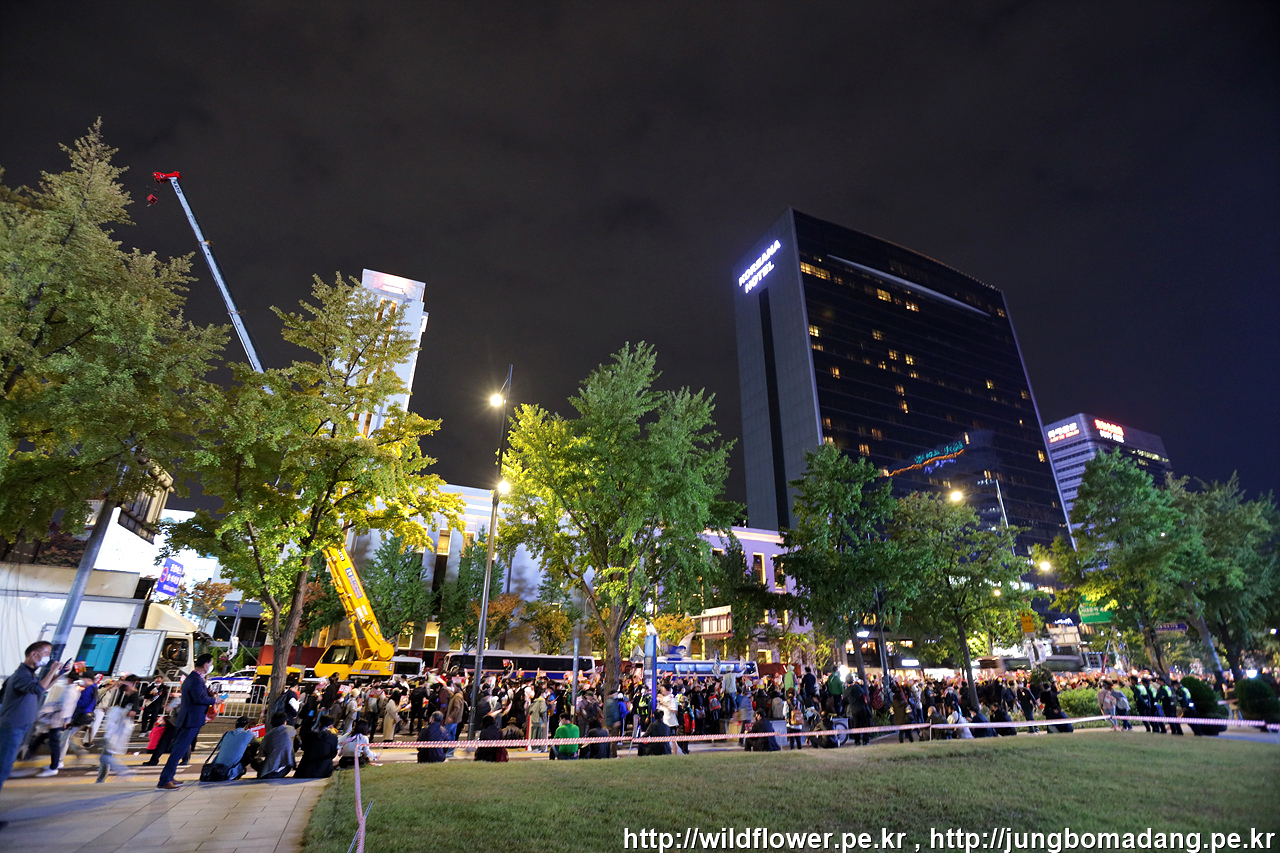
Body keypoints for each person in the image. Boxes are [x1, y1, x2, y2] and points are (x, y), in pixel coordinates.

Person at [0, 643, 74, 797]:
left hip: (19, 726)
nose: (49, 657)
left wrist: (59, 674)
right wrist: (52, 670)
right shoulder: (21, 675)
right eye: (47, 653)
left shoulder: (29, 674)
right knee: (3, 767)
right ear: (34, 654)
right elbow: (39, 688)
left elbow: (42, 688)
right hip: (13, 726)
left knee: (5, 766)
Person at [157, 652, 219, 790]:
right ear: (205, 665)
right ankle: (164, 780)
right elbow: (199, 698)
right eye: (210, 663)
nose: (211, 666)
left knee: (180, 749)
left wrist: (209, 695)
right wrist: (214, 700)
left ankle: (169, 777)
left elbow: (198, 696)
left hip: (189, 718)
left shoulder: (194, 678)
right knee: (178, 750)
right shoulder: (195, 680)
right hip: (191, 719)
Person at [97, 676, 141, 782]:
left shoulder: (134, 696)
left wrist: (118, 712)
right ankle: (106, 776)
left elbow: (132, 713)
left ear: (132, 683)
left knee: (105, 755)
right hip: (115, 726)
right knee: (106, 754)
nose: (124, 685)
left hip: (120, 728)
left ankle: (122, 772)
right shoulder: (123, 693)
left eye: (126, 683)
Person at [209, 715, 256, 781]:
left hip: (215, 769)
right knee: (251, 749)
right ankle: (239, 770)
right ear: (247, 725)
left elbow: (219, 746)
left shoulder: (227, 734)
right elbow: (256, 744)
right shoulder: (248, 734)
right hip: (228, 773)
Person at [258, 711, 297, 779]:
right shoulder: (291, 729)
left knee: (256, 761)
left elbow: (263, 750)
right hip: (285, 767)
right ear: (285, 722)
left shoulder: (268, 735)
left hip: (267, 771)